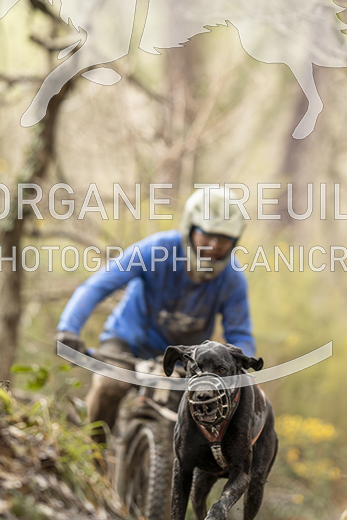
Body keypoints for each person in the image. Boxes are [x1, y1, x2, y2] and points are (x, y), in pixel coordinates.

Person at [55, 187, 254, 443]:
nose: (215, 246)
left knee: (199, 417)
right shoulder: (157, 250)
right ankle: (94, 453)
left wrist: (240, 369)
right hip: (127, 342)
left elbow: (239, 334)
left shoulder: (232, 280)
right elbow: (98, 286)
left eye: (224, 239)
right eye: (208, 235)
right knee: (109, 385)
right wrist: (68, 328)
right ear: (191, 229)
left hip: (184, 358)